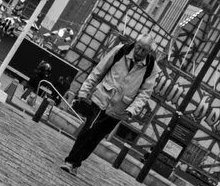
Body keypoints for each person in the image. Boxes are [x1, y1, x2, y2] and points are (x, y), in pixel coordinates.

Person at [60, 39, 159, 172]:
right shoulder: (120, 51)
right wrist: (84, 90)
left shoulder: (151, 68)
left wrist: (133, 109)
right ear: (135, 44)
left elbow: (145, 93)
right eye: (138, 47)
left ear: (149, 52)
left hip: (120, 108)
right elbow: (99, 70)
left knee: (96, 138)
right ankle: (70, 161)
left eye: (144, 50)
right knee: (89, 129)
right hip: (102, 98)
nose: (140, 52)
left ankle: (77, 162)